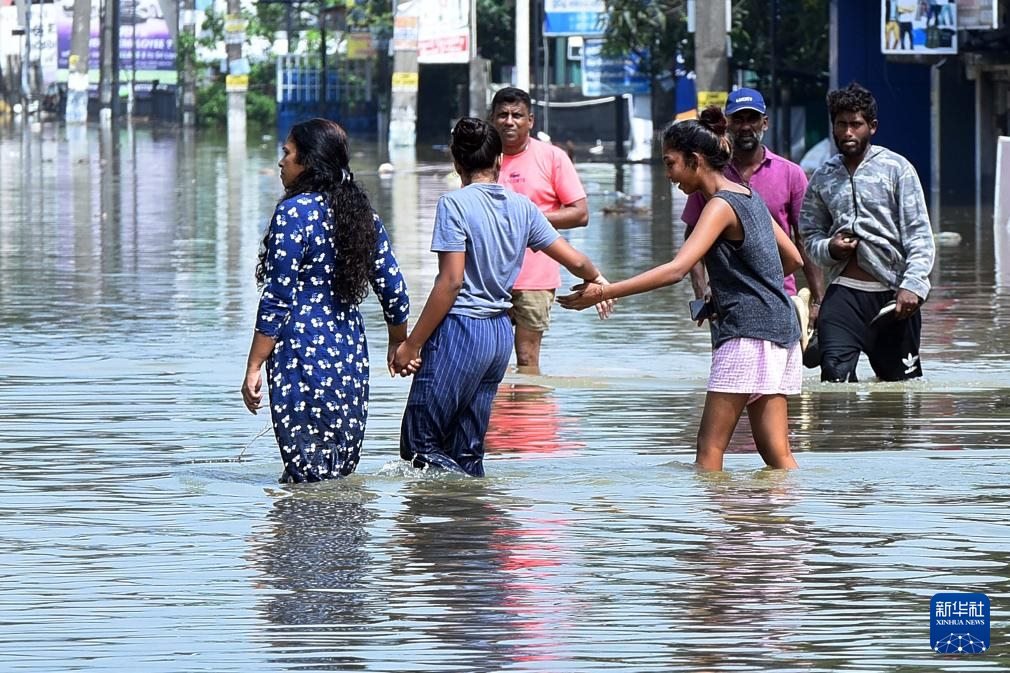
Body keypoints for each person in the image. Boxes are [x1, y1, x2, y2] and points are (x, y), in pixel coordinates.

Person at [560, 107, 803, 472]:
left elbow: (676, 270)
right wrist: (742, 286)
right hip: (781, 331)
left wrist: (605, 292)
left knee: (709, 452)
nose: (668, 174)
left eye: (670, 163)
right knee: (777, 455)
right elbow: (793, 259)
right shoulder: (750, 196)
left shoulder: (720, 206)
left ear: (695, 160)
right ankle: (797, 509)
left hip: (746, 335)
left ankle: (709, 514)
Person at [391, 117, 609, 477]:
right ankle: (474, 509)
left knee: (419, 446)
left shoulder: (454, 205)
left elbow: (451, 282)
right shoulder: (523, 207)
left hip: (461, 330)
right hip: (498, 335)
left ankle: (457, 504)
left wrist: (412, 344)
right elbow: (576, 261)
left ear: (456, 162)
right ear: (499, 160)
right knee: (467, 450)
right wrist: (599, 281)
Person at [241, 118, 410, 482]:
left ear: (308, 162)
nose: (281, 162)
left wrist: (254, 365)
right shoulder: (363, 215)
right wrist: (398, 341)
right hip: (349, 354)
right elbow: (394, 289)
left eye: (287, 153)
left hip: (300, 352)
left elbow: (277, 299)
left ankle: (297, 521)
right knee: (337, 472)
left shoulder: (293, 213)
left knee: (305, 473)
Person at [799, 83, 935, 382]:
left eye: (856, 124)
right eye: (841, 124)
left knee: (901, 390)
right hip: (843, 295)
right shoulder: (823, 177)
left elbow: (920, 236)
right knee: (835, 379)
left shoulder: (897, 169)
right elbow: (808, 235)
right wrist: (830, 248)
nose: (848, 132)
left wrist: (912, 285)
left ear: (872, 127)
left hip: (893, 298)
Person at [681, 87, 824, 342]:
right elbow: (692, 241)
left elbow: (803, 241)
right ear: (727, 124)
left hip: (780, 296)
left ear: (764, 123)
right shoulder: (711, 176)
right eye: (738, 119)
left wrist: (818, 301)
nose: (745, 127)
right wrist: (702, 294)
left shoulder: (791, 174)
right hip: (727, 302)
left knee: (780, 363)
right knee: (729, 365)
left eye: (752, 119)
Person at [489, 86, 603, 374]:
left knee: (527, 360)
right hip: (487, 276)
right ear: (492, 119)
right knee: (487, 360)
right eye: (502, 115)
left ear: (530, 121)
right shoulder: (482, 159)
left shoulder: (552, 157)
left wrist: (530, 219)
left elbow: (580, 213)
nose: (509, 121)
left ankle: (529, 404)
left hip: (535, 276)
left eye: (517, 115)